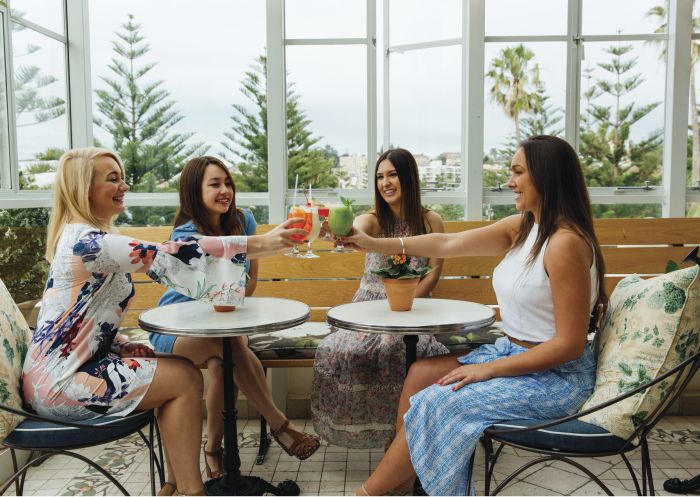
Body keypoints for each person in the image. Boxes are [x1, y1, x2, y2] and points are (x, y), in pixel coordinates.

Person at [21, 148, 306, 496]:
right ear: (83, 188)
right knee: (184, 378)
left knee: (174, 373)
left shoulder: (84, 238)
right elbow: (175, 258)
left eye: (122, 177)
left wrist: (124, 345)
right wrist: (264, 241)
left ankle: (177, 484)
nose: (123, 185)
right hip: (60, 385)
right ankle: (192, 489)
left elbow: (85, 322)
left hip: (66, 372)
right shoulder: (88, 243)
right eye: (113, 178)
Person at [341, 135, 607, 495]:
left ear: (546, 177)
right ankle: (403, 485)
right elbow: (447, 245)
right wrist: (374, 244)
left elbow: (570, 345)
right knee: (421, 372)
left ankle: (369, 493)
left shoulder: (565, 244)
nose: (510, 182)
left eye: (517, 172)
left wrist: (487, 369)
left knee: (440, 400)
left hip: (555, 377)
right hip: (513, 353)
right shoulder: (524, 227)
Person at [149, 156, 320, 486]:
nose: (224, 190)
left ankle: (213, 449)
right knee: (228, 345)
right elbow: (204, 275)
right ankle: (280, 425)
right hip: (179, 327)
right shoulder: (185, 233)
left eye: (227, 183)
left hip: (225, 322)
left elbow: (248, 282)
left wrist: (232, 293)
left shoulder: (244, 220)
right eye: (214, 184)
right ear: (193, 192)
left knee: (222, 360)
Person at [311, 148, 446, 449]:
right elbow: (356, 229)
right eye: (379, 177)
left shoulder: (430, 220)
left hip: (417, 308)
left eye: (393, 175)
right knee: (354, 350)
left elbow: (433, 273)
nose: (385, 183)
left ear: (409, 177)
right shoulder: (373, 220)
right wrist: (339, 231)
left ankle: (403, 436)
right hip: (369, 309)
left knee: (404, 348)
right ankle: (391, 436)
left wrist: (407, 307)